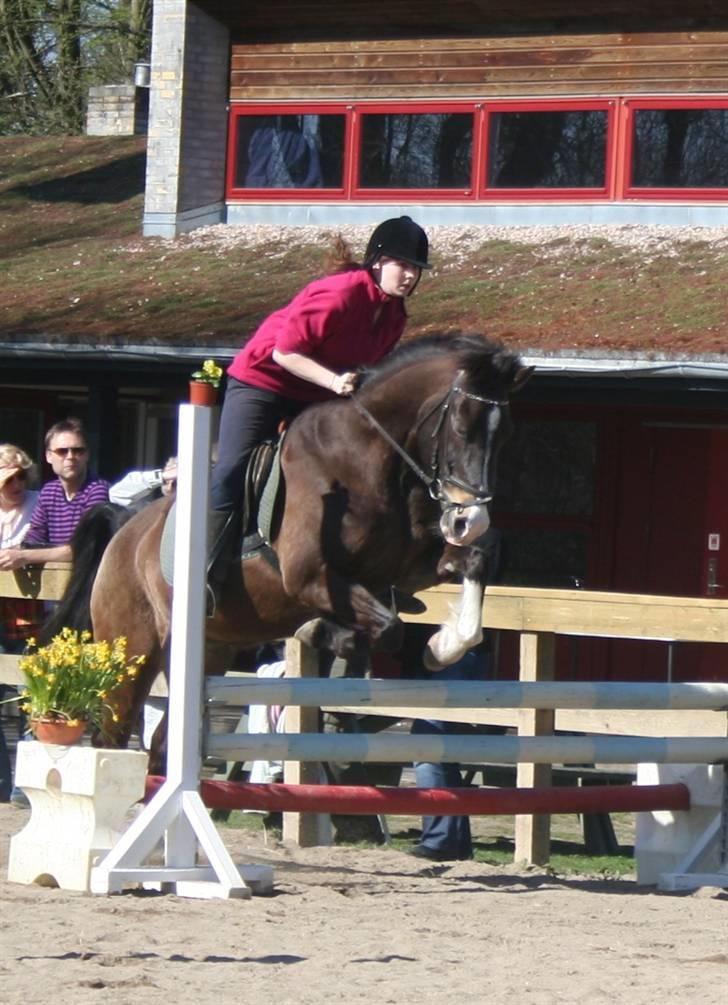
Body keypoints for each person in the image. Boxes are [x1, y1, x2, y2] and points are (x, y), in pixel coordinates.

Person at [207, 215, 431, 597]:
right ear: (377, 261)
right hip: (262, 381)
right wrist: (333, 380)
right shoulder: (339, 293)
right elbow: (285, 353)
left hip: (313, 395)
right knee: (233, 466)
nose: (410, 276)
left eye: (416, 269)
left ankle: (366, 570)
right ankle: (205, 566)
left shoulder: (395, 315)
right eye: (403, 265)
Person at [0, 418, 109, 571]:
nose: (70, 456)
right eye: (62, 451)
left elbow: (83, 548)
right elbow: (33, 540)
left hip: (90, 585)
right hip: (55, 585)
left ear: (87, 455)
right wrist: (10, 554)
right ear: (48, 456)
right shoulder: (49, 492)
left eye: (78, 450)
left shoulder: (97, 490)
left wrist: (23, 556)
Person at [0, 445, 42, 803]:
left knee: (32, 698)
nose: (16, 484)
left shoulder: (38, 503)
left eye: (20, 476)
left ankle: (24, 787)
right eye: (8, 478)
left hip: (30, 612)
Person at [109, 456, 177, 510]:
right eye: (169, 478)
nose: (170, 483)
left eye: (176, 481)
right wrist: (161, 476)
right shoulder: (152, 512)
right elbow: (116, 494)